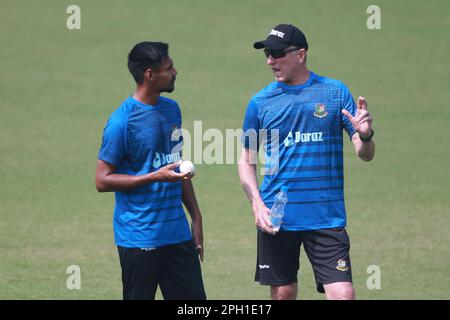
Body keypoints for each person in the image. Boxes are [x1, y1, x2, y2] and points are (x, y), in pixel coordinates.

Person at [238, 24, 375, 300]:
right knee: (284, 293)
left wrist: (366, 134)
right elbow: (246, 160)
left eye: (276, 53)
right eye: (267, 53)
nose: (269, 61)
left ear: (301, 54)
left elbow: (365, 153)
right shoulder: (260, 102)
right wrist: (257, 204)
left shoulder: (335, 92)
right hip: (278, 217)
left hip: (325, 216)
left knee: (343, 294)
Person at [95, 42, 206, 300]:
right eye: (169, 68)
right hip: (139, 238)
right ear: (149, 74)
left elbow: (176, 165)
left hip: (177, 235)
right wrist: (154, 176)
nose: (175, 72)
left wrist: (196, 217)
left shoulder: (171, 109)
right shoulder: (121, 123)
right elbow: (101, 180)